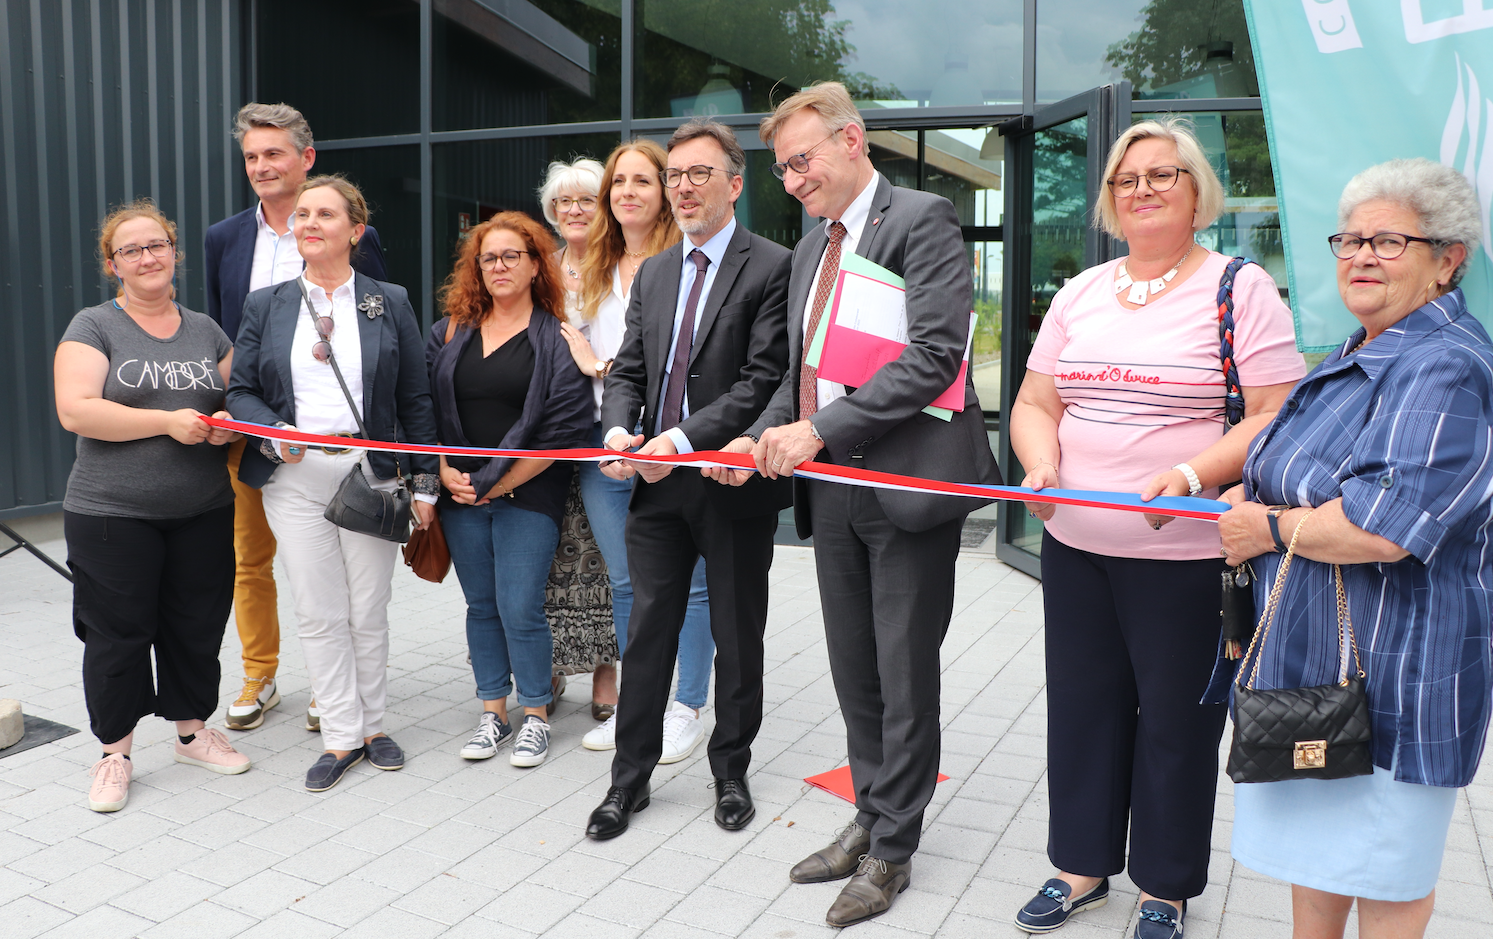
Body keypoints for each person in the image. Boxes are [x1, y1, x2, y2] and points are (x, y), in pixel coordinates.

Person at [1003, 117, 1306, 938]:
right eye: (1126, 178)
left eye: (1161, 174)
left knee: (1174, 721)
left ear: (1196, 190)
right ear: (1109, 198)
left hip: (1184, 554)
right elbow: (1036, 403)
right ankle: (1079, 866)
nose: (1141, 189)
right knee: (1081, 708)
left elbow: (1277, 414)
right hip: (1075, 547)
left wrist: (1190, 475)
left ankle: (1164, 887)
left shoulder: (1238, 287)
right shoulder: (1081, 291)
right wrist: (1039, 466)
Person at [724, 81, 1001, 927]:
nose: (793, 180)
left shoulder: (921, 219)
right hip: (834, 490)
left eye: (800, 160)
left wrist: (816, 430)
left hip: (908, 484)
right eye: (781, 169)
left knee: (903, 673)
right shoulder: (812, 247)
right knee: (855, 671)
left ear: (851, 141)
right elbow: (795, 373)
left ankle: (892, 850)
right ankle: (870, 812)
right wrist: (756, 435)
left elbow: (935, 355)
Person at [1218, 158, 1488, 939]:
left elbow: (1385, 527)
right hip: (1322, 671)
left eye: (1389, 240)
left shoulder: (1442, 364)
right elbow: (1290, 468)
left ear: (1447, 258)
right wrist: (1252, 495)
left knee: (1386, 873)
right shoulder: (1359, 349)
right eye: (1349, 239)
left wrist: (1262, 526)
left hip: (1397, 678)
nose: (1361, 255)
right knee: (1321, 861)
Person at [584, 119, 793, 841]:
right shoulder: (657, 270)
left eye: (698, 173)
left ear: (735, 184)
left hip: (729, 482)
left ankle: (729, 770)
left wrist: (673, 437)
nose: (682, 187)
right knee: (647, 634)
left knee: (737, 637)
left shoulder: (773, 265)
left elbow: (760, 379)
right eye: (675, 175)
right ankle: (628, 779)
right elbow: (630, 369)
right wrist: (617, 427)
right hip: (655, 485)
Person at [226, 175, 437, 793]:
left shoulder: (387, 299)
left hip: (369, 475)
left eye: (325, 214)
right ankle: (341, 733)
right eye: (303, 215)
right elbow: (240, 390)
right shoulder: (266, 303)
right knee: (318, 610)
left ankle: (374, 725)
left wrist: (424, 485)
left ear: (355, 230)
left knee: (368, 607)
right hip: (292, 477)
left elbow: (414, 399)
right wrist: (272, 430)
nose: (309, 222)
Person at [55, 200, 251, 813]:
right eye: (132, 250)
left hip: (203, 508)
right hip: (111, 513)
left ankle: (192, 734)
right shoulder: (93, 326)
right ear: (114, 265)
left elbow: (237, 403)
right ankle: (115, 754)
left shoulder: (205, 329)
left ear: (175, 253)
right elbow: (77, 409)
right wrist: (167, 421)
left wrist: (227, 428)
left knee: (196, 625)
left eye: (157, 245)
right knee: (117, 634)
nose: (147, 257)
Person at [204, 102, 389, 734]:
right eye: (251, 156)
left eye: (273, 153)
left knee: (331, 566)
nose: (261, 166)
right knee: (250, 558)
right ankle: (260, 673)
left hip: (338, 438)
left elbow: (381, 336)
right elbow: (217, 336)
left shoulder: (341, 229)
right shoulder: (225, 238)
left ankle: (328, 691)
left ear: (306, 159)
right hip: (258, 429)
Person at [559, 141, 718, 761]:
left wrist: (597, 364)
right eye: (618, 182)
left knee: (695, 583)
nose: (627, 191)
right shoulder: (585, 269)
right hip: (608, 447)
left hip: (673, 447)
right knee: (625, 584)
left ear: (665, 193)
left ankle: (689, 704)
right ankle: (637, 704)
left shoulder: (687, 262)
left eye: (642, 181)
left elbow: (643, 363)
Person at [427, 211, 594, 769]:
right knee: (481, 606)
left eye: (510, 257)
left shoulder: (557, 336)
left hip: (528, 492)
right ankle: (492, 712)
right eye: (488, 258)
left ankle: (536, 715)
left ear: (534, 264)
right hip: (462, 494)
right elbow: (428, 411)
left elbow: (563, 432)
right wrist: (447, 470)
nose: (498, 266)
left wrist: (497, 486)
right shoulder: (451, 331)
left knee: (520, 606)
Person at [537, 158, 619, 715]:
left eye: (585, 200)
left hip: (600, 429)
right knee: (548, 554)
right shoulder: (540, 267)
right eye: (563, 202)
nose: (573, 210)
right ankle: (552, 662)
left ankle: (608, 670)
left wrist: (597, 366)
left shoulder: (623, 267)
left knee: (602, 554)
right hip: (546, 432)